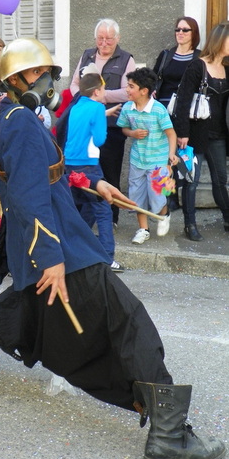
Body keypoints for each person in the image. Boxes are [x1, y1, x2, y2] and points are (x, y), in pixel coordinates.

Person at [0, 38, 225, 459]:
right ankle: (169, 437)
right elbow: (27, 196)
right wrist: (52, 259)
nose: (49, 81)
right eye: (39, 73)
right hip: (58, 242)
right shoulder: (22, 121)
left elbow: (47, 174)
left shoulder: (6, 117)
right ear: (16, 80)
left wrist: (95, 184)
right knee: (129, 321)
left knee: (28, 303)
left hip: (36, 241)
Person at [70, 19, 136, 226]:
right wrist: (85, 100)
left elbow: (128, 91)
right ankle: (84, 217)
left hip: (111, 126)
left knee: (109, 171)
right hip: (85, 126)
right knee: (85, 173)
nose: (104, 43)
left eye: (109, 39)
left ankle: (111, 218)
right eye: (100, 38)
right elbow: (74, 85)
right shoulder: (87, 55)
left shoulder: (126, 59)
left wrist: (100, 96)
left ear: (117, 39)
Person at [60, 72, 123, 271]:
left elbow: (84, 120)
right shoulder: (97, 107)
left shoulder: (77, 106)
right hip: (88, 166)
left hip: (69, 165)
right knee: (103, 210)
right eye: (103, 89)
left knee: (85, 208)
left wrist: (104, 114)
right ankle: (107, 258)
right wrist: (102, 120)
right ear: (97, 91)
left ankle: (76, 246)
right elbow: (99, 140)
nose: (105, 92)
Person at [173, 21, 229, 240]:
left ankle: (227, 218)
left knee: (220, 180)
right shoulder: (197, 66)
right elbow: (183, 101)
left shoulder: (227, 67)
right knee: (191, 181)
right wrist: (182, 133)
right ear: (220, 40)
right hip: (194, 135)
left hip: (218, 135)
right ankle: (190, 224)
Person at [117, 68, 178, 244]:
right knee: (137, 196)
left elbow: (171, 134)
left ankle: (164, 213)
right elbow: (124, 128)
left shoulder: (158, 110)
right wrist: (132, 133)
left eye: (131, 86)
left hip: (158, 162)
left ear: (144, 91)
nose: (127, 90)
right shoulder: (127, 108)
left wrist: (170, 156)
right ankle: (143, 229)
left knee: (158, 195)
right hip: (137, 160)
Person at [153, 17, 201, 212]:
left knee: (181, 156)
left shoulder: (199, 57)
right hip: (162, 113)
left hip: (185, 113)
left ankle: (181, 193)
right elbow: (154, 77)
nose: (180, 33)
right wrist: (151, 89)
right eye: (178, 29)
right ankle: (166, 198)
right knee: (162, 157)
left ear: (194, 34)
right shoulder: (166, 55)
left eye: (185, 30)